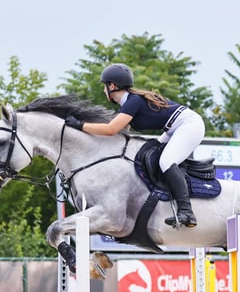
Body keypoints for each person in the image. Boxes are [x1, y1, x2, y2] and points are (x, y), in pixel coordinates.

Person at [64, 63, 205, 228]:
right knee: (151, 156)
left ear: (112, 86)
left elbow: (111, 129)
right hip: (173, 128)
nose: (104, 90)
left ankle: (187, 211)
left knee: (166, 162)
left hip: (188, 125)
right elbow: (120, 132)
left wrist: (80, 125)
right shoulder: (129, 102)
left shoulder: (133, 101)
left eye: (105, 86)